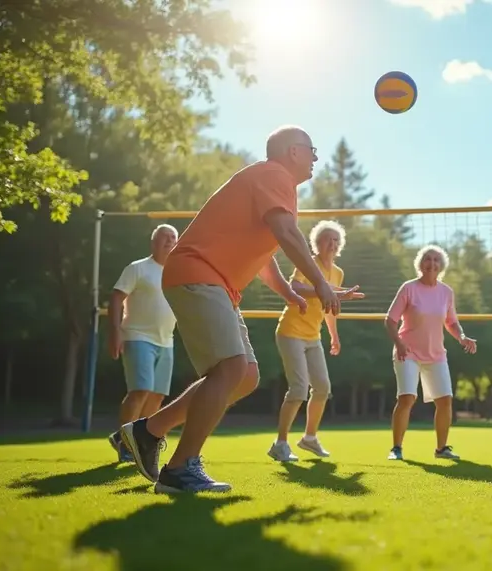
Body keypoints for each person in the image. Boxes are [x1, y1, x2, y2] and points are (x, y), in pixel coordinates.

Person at [120, 125, 341, 494]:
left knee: (245, 376)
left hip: (217, 283)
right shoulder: (275, 174)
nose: (316, 157)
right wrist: (320, 282)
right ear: (292, 151)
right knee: (231, 368)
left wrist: (289, 292)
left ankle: (148, 431)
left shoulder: (272, 183)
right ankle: (180, 469)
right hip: (198, 272)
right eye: (311, 149)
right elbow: (287, 234)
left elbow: (265, 256)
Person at [267, 219, 363, 462]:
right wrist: (327, 291)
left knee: (322, 388)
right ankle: (280, 444)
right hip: (291, 332)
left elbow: (329, 305)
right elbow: (295, 287)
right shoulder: (308, 263)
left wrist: (334, 336)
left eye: (335, 240)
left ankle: (309, 438)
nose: (332, 243)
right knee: (298, 389)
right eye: (327, 239)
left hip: (313, 336)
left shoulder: (338, 273)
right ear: (316, 243)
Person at [384, 244, 477, 461]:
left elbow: (451, 322)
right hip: (407, 352)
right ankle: (396, 448)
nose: (432, 263)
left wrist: (462, 337)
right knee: (407, 398)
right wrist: (398, 343)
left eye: (436, 260)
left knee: (445, 400)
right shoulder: (409, 288)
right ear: (420, 263)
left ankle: (441, 449)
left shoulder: (446, 292)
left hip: (436, 355)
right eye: (427, 258)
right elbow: (390, 320)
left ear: (441, 265)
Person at [107, 224, 179, 463]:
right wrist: (115, 330)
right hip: (138, 336)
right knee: (140, 391)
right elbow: (116, 297)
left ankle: (138, 441)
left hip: (166, 340)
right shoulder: (138, 268)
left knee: (157, 396)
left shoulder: (178, 272)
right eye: (164, 237)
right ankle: (125, 443)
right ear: (153, 242)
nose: (169, 241)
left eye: (173, 238)